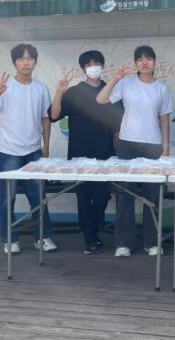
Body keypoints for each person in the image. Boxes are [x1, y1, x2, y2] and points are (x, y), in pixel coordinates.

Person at [96, 45, 174, 258]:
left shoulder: (161, 88)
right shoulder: (126, 83)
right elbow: (101, 100)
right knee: (125, 194)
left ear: (155, 62)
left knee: (153, 195)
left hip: (153, 146)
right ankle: (124, 243)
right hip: (127, 144)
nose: (144, 62)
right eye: (140, 59)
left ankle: (152, 242)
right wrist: (115, 79)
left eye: (148, 58)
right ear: (136, 63)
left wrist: (166, 146)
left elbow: (164, 119)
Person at [0, 43, 57, 255]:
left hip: (34, 151)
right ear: (14, 62)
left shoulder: (41, 88)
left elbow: (45, 117)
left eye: (30, 58)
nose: (26, 62)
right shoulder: (4, 87)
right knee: (7, 198)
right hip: (8, 152)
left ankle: (42, 237)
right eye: (21, 58)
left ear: (35, 61)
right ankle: (10, 239)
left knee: (38, 196)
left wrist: (46, 144)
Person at [49, 50, 123, 254]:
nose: (93, 67)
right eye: (89, 64)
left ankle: (94, 231)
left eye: (97, 63)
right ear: (83, 68)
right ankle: (89, 237)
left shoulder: (111, 91)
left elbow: (118, 124)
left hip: (105, 154)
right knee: (83, 197)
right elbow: (53, 115)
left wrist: (117, 150)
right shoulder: (74, 92)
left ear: (103, 66)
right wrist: (59, 92)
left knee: (102, 196)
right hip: (79, 155)